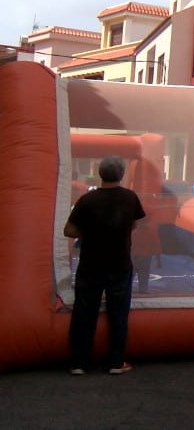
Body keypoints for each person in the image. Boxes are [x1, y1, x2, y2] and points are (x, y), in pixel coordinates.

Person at [65, 155, 146, 375]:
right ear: (121, 174)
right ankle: (116, 362)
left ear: (99, 173)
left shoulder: (86, 200)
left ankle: (79, 363)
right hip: (119, 264)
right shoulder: (130, 198)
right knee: (118, 313)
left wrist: (91, 232)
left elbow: (69, 230)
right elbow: (134, 225)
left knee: (84, 313)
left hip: (90, 265)